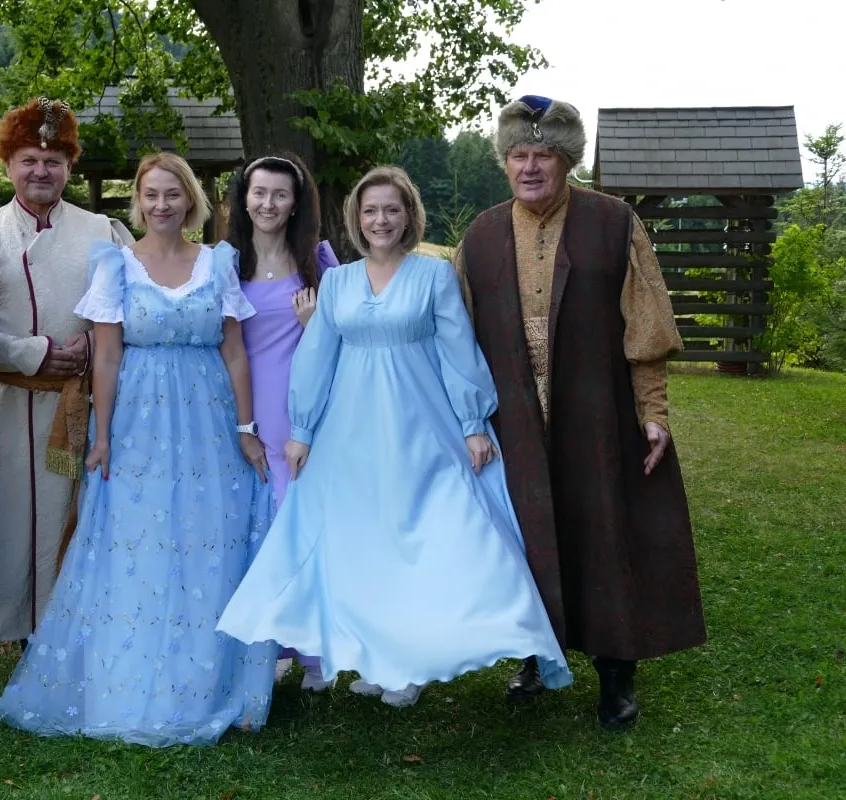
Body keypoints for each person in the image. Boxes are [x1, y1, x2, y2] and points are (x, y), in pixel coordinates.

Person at [217, 165, 572, 709]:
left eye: (391, 209)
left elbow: (458, 352)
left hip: (420, 428)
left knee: (423, 539)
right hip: (352, 435)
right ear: (356, 219)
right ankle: (379, 657)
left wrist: (473, 424)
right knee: (369, 543)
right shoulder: (338, 282)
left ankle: (413, 662)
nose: (380, 220)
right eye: (370, 210)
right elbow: (316, 358)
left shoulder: (433, 276)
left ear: (409, 216)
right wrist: (302, 430)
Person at [0, 152, 277, 747]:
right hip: (139, 422)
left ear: (190, 198)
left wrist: (246, 428)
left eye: (173, 193)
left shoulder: (218, 262)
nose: (161, 204)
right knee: (139, 541)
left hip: (207, 420)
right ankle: (130, 683)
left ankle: (207, 683)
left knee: (206, 542)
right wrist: (102, 436)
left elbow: (233, 351)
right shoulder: (116, 265)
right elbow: (107, 355)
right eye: (151, 194)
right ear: (139, 201)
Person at [455, 95, 707, 730]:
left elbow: (646, 328)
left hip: (596, 411)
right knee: (526, 536)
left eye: (543, 155)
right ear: (504, 162)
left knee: (603, 535)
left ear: (566, 161)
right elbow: (455, 339)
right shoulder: (480, 236)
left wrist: (653, 410)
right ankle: (536, 655)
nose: (530, 167)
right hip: (512, 415)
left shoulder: (613, 222)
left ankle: (616, 674)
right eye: (519, 155)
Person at [0, 98, 133, 648]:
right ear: (8, 164)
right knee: (4, 517)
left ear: (70, 166)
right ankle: (7, 621)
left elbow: (134, 307)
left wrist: (95, 345)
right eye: (29, 159)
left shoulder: (103, 232)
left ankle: (66, 628)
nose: (41, 171)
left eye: (53, 161)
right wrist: (31, 353)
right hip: (4, 405)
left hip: (80, 403)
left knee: (68, 514)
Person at [224, 152, 339, 692]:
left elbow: (346, 336)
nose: (268, 203)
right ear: (244, 199)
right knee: (256, 529)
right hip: (243, 409)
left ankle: (313, 651)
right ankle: (269, 645)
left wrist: (316, 324)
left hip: (300, 410)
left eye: (280, 194)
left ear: (296, 204)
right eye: (259, 193)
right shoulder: (225, 262)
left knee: (300, 528)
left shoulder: (317, 260)